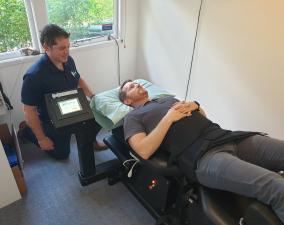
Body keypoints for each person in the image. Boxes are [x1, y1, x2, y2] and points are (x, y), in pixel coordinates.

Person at [119, 79, 284, 223]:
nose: (138, 85)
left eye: (138, 83)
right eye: (132, 86)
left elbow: (202, 117)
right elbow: (143, 150)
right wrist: (168, 118)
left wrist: (196, 106)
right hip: (203, 156)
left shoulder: (167, 99)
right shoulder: (133, 118)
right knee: (277, 187)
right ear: (127, 101)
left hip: (225, 137)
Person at [20, 24, 106, 160]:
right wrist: (41, 139)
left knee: (100, 113)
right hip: (52, 118)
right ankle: (28, 130)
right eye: (61, 48)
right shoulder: (34, 75)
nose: (67, 51)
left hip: (73, 105)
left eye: (68, 47)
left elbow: (78, 79)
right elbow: (28, 110)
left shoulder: (68, 60)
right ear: (46, 47)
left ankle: (91, 141)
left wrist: (94, 97)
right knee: (62, 154)